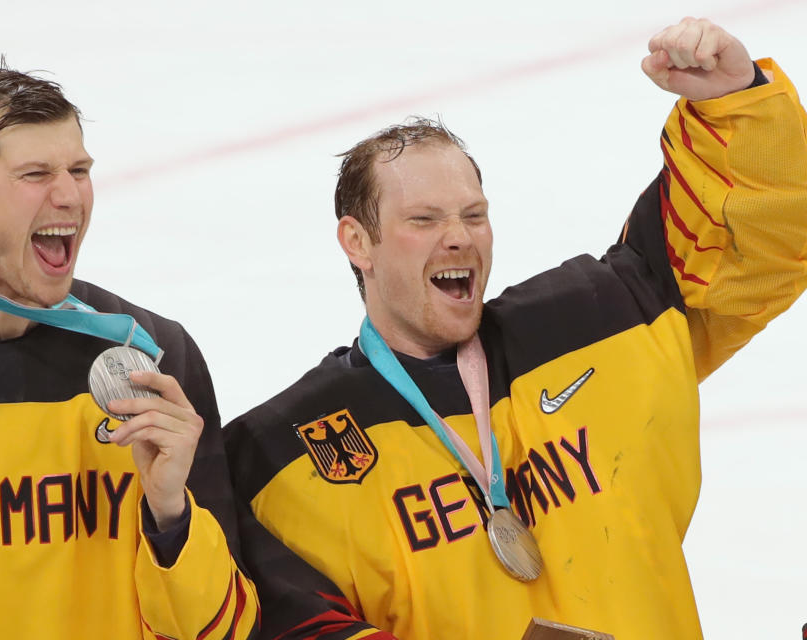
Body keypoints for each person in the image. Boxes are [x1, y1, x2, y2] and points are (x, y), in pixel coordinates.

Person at [224, 17, 807, 639]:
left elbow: (751, 247)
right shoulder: (279, 455)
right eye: (424, 218)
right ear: (357, 241)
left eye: (474, 215)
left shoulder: (606, 317)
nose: (458, 236)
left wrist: (734, 101)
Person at [0, 66, 391, 640]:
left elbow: (219, 630)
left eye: (79, 171)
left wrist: (171, 516)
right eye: (36, 174)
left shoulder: (148, 357)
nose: (69, 195)